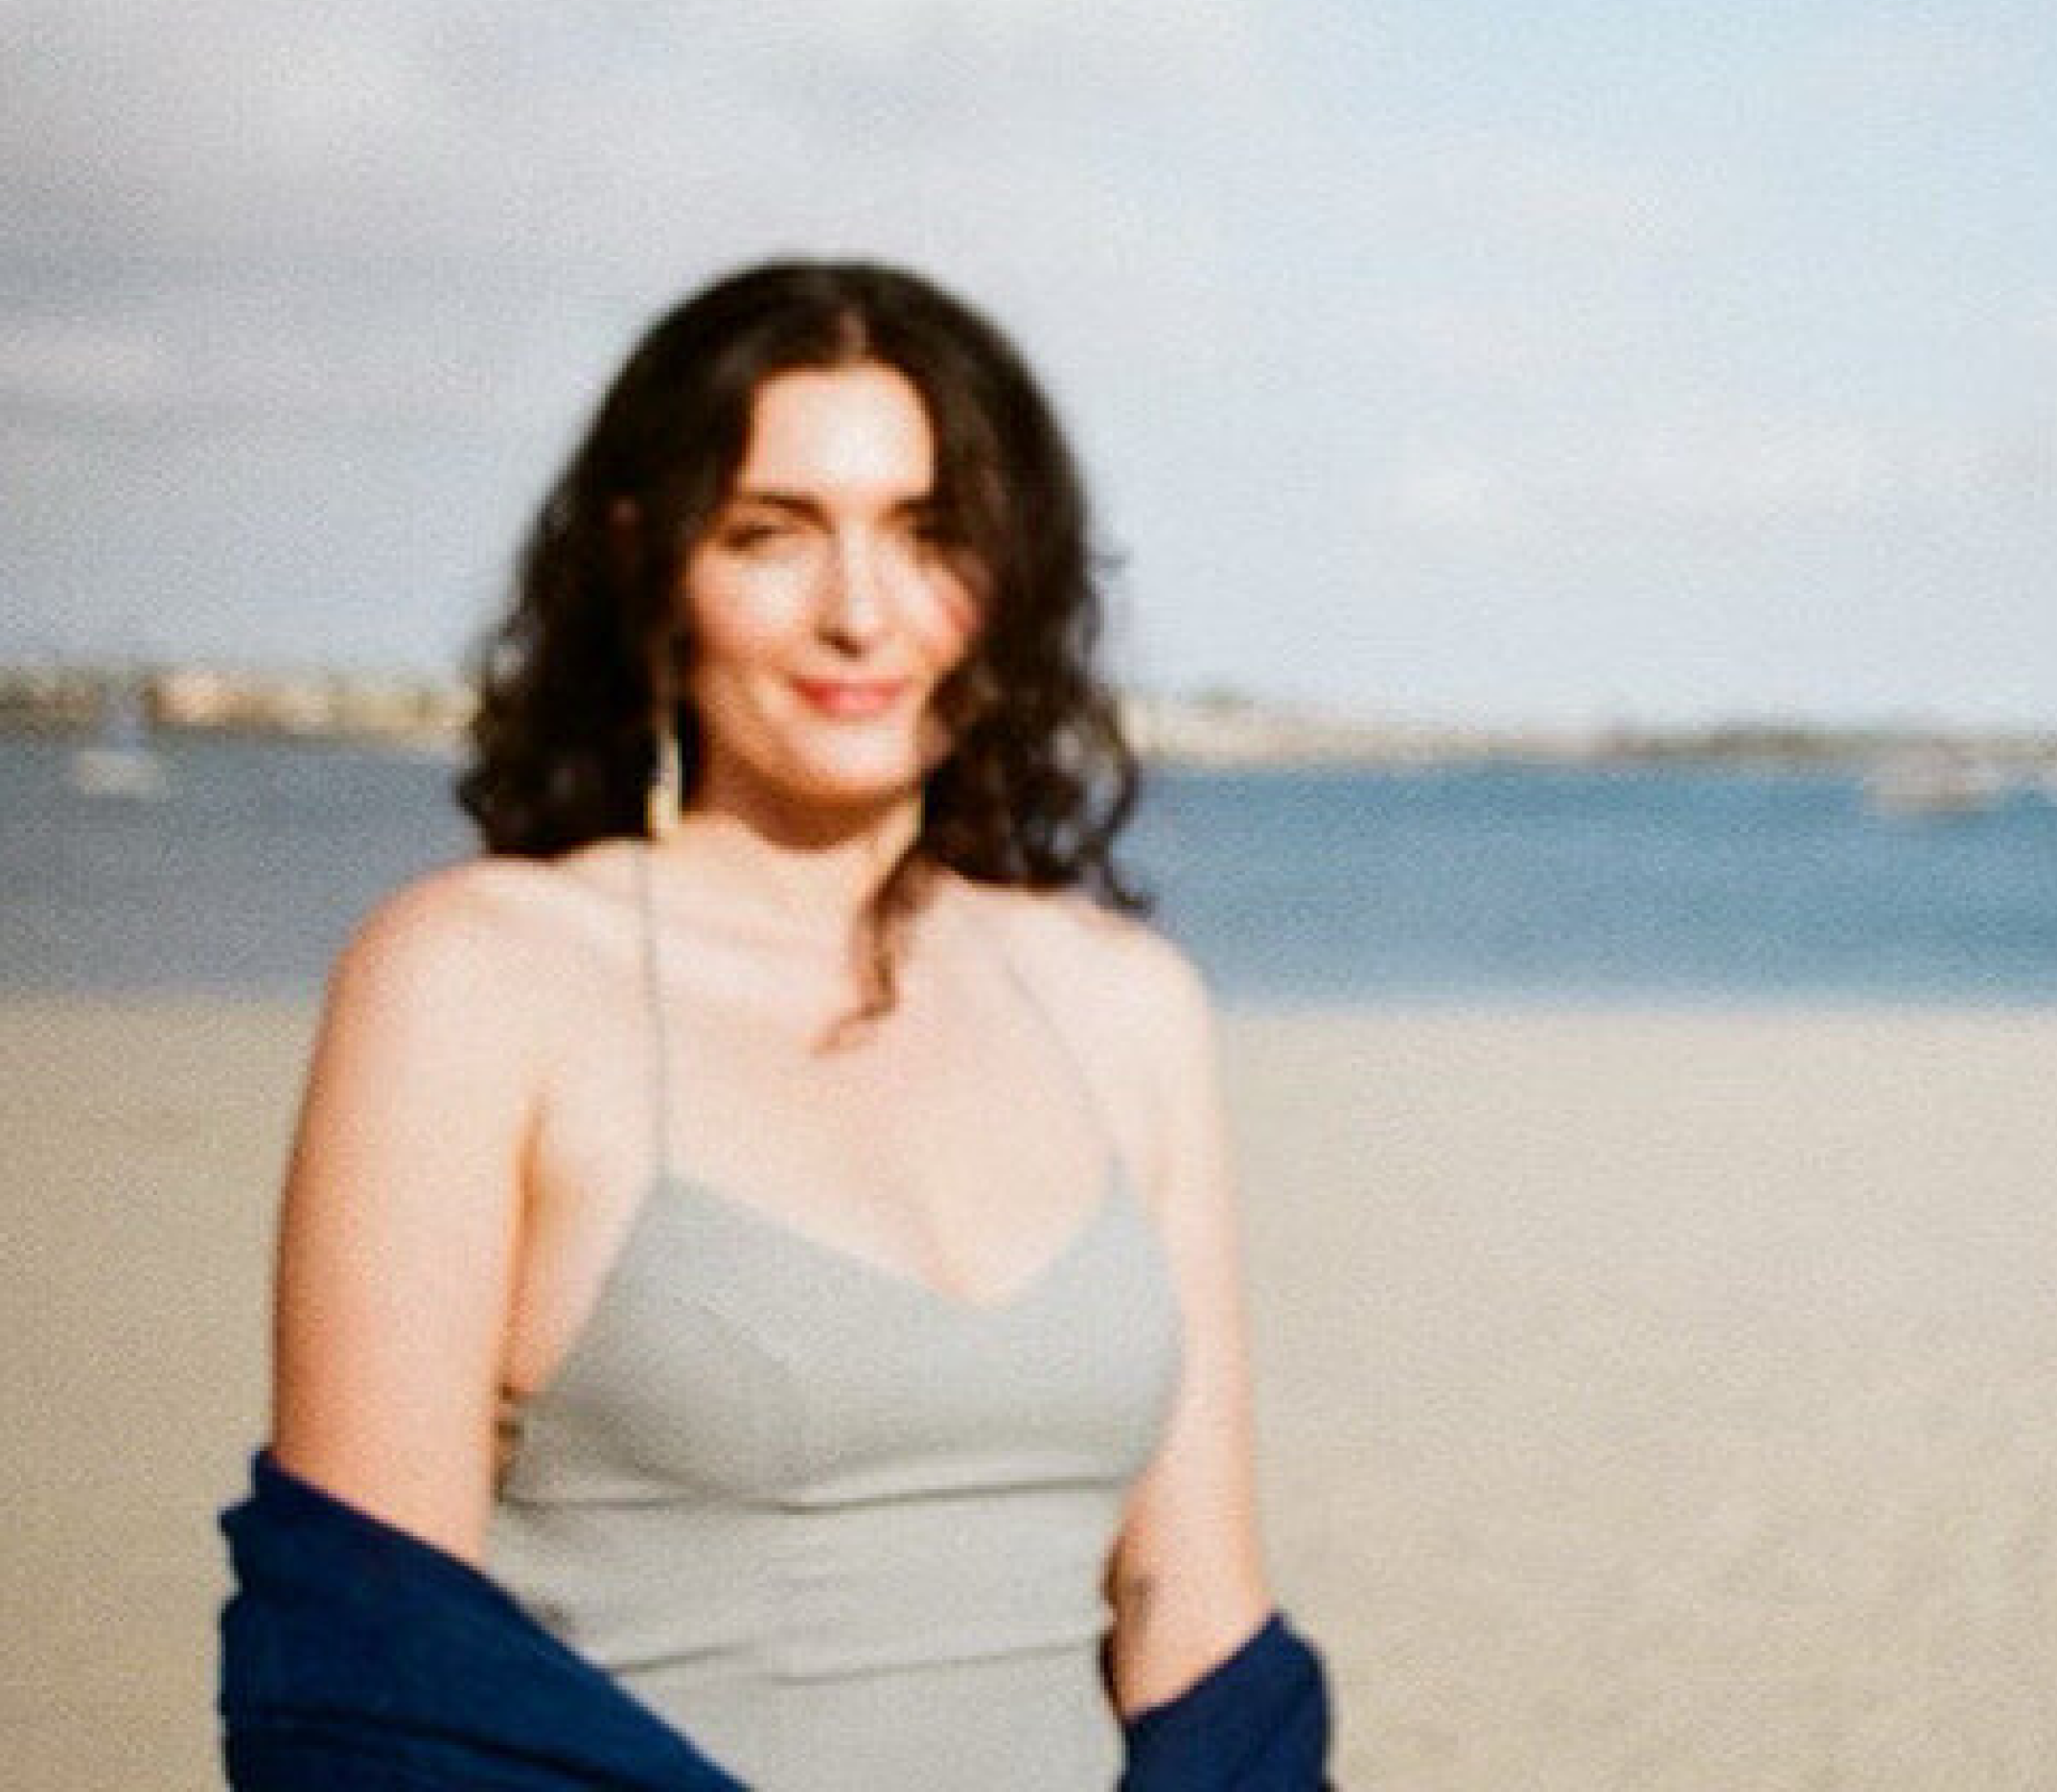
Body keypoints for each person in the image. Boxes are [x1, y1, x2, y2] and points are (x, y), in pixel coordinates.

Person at [239, 261, 1325, 1790]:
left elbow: (1196, 1622)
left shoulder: (1123, 1004)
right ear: (646, 561)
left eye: (929, 535)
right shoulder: (476, 978)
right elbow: (370, 1677)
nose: (858, 614)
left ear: (1010, 575)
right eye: (771, 534)